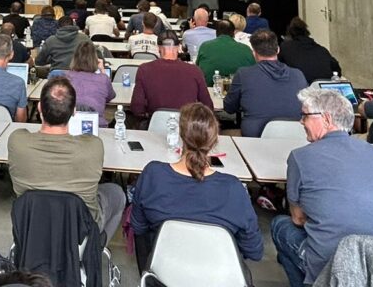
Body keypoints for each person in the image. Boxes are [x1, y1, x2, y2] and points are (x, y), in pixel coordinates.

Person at [270, 88, 373, 287]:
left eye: (305, 116)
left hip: (338, 268)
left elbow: (298, 219)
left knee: (280, 225)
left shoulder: (301, 156)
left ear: (326, 119)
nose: (301, 121)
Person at [131, 103, 262, 268]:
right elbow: (254, 251)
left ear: (181, 135)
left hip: (164, 272)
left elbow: (138, 227)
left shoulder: (153, 174)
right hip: (218, 276)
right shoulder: (234, 189)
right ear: (214, 140)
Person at [8, 77, 126, 244]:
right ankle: (93, 249)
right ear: (74, 111)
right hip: (80, 229)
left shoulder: (17, 141)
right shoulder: (93, 146)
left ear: (39, 107)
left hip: (32, 222)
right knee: (117, 193)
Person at [223, 30, 308, 137]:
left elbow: (229, 108)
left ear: (254, 52)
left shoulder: (243, 74)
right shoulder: (298, 74)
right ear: (278, 49)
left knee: (221, 134)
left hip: (254, 139)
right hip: (295, 136)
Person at [130, 29, 212, 123]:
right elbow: (208, 107)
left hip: (155, 126)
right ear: (178, 47)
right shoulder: (195, 71)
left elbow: (137, 107)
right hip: (186, 127)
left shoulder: (144, 70)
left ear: (158, 48)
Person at [63, 41, 115, 126]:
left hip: (70, 125)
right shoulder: (103, 79)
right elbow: (110, 96)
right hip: (97, 126)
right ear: (95, 59)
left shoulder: (66, 77)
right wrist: (102, 70)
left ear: (75, 58)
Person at [277, 17, 341, 83]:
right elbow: (337, 70)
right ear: (306, 33)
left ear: (290, 34)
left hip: (301, 86)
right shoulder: (322, 50)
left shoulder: (286, 47)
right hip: (324, 85)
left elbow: (277, 67)